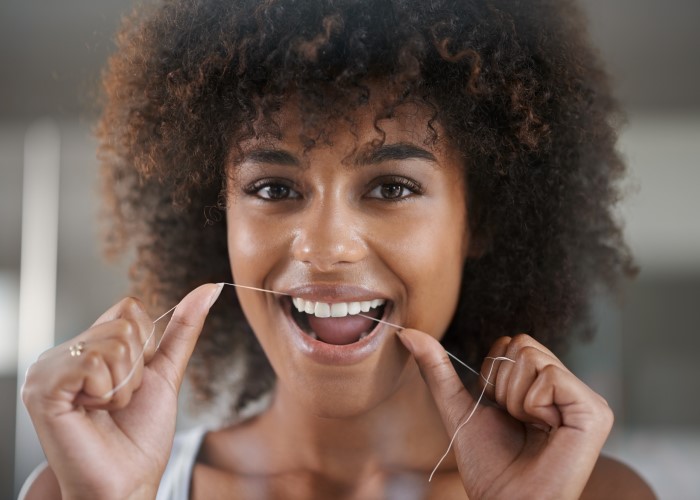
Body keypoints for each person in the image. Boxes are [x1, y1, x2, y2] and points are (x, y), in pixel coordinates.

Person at [21, 0, 656, 498]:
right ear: (217, 215)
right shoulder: (78, 489)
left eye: (390, 186)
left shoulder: (593, 494)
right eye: (273, 187)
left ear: (479, 220)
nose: (324, 248)